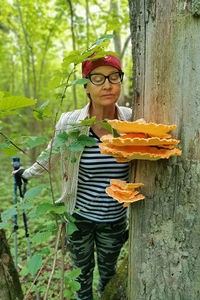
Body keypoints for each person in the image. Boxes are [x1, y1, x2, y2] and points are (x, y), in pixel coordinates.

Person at [14, 54, 132, 299]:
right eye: (97, 78)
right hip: (79, 218)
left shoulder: (131, 119)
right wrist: (26, 174)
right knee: (81, 278)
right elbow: (51, 156)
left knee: (109, 276)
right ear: (86, 86)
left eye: (113, 77)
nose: (107, 85)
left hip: (115, 219)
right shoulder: (70, 123)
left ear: (120, 81)